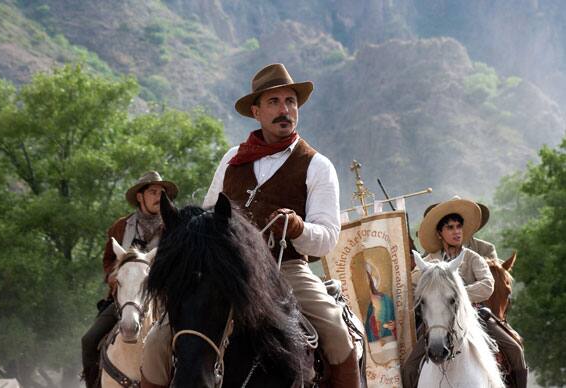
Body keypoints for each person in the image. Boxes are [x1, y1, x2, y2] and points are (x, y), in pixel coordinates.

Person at [140, 63, 360, 388]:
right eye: (274, 102)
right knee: (157, 342)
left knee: (336, 331)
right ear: (256, 111)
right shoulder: (232, 159)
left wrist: (299, 228)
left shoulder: (316, 165)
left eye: (290, 101)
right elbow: (205, 219)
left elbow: (327, 239)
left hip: (285, 270)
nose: (284, 109)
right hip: (225, 277)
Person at [402, 197, 527, 388]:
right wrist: (431, 299)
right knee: (409, 367)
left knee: (515, 350)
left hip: (476, 314)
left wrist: (457, 294)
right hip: (436, 318)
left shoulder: (473, 257)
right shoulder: (429, 261)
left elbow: (488, 285)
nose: (456, 231)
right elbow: (411, 286)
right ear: (440, 233)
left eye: (458, 227)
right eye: (450, 227)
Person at [80, 171, 177, 388]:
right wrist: (114, 278)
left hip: (163, 301)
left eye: (162, 193)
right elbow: (108, 260)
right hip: (125, 299)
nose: (159, 197)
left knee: (188, 341)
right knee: (88, 340)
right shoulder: (121, 227)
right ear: (140, 197)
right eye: (153, 192)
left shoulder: (173, 229)